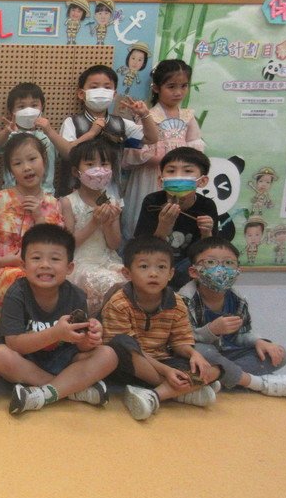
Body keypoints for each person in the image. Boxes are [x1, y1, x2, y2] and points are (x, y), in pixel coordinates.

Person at [0, 224, 118, 414]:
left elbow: (81, 346)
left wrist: (89, 339)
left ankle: (44, 393)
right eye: (36, 258)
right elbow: (14, 344)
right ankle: (69, 389)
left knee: (108, 355)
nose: (45, 265)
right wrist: (55, 333)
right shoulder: (17, 294)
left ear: (69, 267)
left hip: (66, 360)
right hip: (28, 360)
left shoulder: (76, 295)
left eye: (55, 259)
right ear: (23, 265)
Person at [101, 236, 221, 421]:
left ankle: (157, 394)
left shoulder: (177, 303)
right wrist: (166, 372)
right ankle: (179, 390)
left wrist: (193, 354)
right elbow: (123, 346)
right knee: (120, 342)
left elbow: (180, 342)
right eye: (144, 266)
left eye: (161, 267)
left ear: (171, 273)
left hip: (164, 361)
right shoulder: (119, 302)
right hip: (130, 367)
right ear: (127, 273)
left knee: (216, 367)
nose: (153, 273)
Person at [0, 133, 64, 348]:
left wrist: (39, 217)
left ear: (44, 160)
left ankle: (28, 331)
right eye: (18, 163)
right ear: (10, 170)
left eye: (32, 159)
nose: (27, 167)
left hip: (39, 264)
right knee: (16, 277)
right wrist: (0, 260)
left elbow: (56, 245)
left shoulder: (52, 203)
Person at [179, 237, 286, 398]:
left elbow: (242, 334)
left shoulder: (238, 299)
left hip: (229, 354)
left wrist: (258, 341)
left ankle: (216, 378)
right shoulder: (184, 299)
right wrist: (211, 330)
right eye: (211, 263)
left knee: (279, 354)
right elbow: (181, 340)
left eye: (228, 263)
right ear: (193, 271)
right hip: (200, 355)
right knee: (203, 351)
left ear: (238, 271)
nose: (221, 269)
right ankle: (255, 382)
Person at [43, 64, 158, 199]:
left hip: (111, 194)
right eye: (94, 87)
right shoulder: (72, 122)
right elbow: (67, 154)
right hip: (75, 194)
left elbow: (151, 138)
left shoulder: (121, 123)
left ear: (114, 94)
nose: (101, 91)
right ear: (81, 94)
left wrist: (144, 115)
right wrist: (90, 134)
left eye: (107, 87)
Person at [121, 59, 205, 236]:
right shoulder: (147, 115)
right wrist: (163, 162)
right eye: (171, 87)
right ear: (156, 88)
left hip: (180, 178)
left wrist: (183, 168)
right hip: (150, 176)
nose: (178, 92)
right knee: (149, 216)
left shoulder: (188, 116)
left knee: (178, 219)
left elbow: (196, 149)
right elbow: (136, 149)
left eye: (183, 86)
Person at [133, 147, 217, 288]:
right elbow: (142, 248)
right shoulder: (152, 201)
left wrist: (206, 232)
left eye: (187, 171)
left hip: (189, 264)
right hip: (156, 260)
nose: (178, 176)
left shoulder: (207, 205)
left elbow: (210, 251)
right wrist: (163, 226)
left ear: (202, 181)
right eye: (171, 171)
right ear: (161, 180)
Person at [60, 139, 126, 315]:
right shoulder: (68, 202)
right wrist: (94, 223)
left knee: (128, 282)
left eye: (104, 164)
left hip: (108, 260)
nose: (98, 170)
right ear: (76, 171)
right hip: (80, 262)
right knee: (109, 283)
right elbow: (68, 245)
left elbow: (114, 244)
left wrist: (109, 223)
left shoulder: (113, 201)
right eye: (90, 164)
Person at [0, 83, 57, 196]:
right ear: (11, 112)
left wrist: (47, 193)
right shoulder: (10, 136)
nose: (28, 110)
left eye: (34, 105)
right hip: (12, 194)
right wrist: (6, 131)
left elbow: (52, 166)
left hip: (43, 195)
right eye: (21, 106)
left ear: (42, 108)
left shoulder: (47, 138)